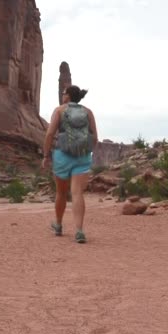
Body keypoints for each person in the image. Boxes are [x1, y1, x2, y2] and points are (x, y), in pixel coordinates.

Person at [42, 86, 98, 243]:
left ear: (68, 96)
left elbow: (50, 134)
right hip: (82, 157)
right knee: (77, 193)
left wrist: (46, 155)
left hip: (62, 156)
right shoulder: (88, 112)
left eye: (64, 93)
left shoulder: (59, 111)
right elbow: (95, 137)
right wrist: (86, 151)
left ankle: (58, 225)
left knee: (61, 193)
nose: (62, 95)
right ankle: (79, 231)